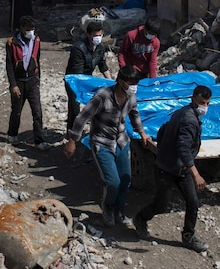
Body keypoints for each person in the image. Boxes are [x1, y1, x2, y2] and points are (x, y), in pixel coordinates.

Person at [64, 66, 154, 228]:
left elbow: (134, 114)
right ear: (121, 82)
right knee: (113, 182)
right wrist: (72, 140)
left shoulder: (131, 96)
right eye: (131, 83)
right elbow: (82, 117)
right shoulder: (103, 97)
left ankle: (119, 210)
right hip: (102, 142)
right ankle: (108, 208)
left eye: (136, 83)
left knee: (126, 180)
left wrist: (142, 133)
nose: (134, 87)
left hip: (121, 141)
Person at [133, 85, 212, 253]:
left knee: (192, 203)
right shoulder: (189, 121)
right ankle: (140, 218)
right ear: (193, 99)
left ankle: (188, 235)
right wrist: (196, 174)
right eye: (201, 102)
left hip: (180, 169)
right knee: (161, 205)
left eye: (206, 103)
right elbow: (183, 149)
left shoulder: (183, 112)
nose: (204, 107)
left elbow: (164, 130)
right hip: (167, 169)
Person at [5, 16, 47, 150]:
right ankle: (12, 134)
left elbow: (37, 59)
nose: (31, 32)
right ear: (21, 29)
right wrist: (13, 85)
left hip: (32, 81)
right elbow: (9, 65)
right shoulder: (12, 42)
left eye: (32, 29)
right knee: (16, 111)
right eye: (28, 30)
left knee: (37, 112)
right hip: (19, 81)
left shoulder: (37, 40)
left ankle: (39, 141)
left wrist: (38, 79)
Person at [64, 20, 113, 132]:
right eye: (95, 35)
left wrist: (111, 83)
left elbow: (103, 66)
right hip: (74, 81)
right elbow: (78, 73)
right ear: (88, 34)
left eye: (100, 35)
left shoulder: (100, 47)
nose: (98, 38)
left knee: (94, 106)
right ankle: (72, 132)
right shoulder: (79, 48)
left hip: (87, 79)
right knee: (75, 108)